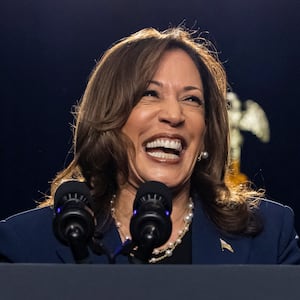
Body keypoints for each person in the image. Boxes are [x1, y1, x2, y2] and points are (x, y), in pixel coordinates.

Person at [0, 27, 299, 264]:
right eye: (150, 94)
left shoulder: (269, 237)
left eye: (191, 99)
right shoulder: (26, 243)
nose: (173, 115)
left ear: (207, 132)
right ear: (109, 116)